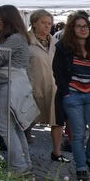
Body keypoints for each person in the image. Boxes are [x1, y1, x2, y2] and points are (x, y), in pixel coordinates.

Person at [52, 12, 90, 181]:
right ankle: (81, 167)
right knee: (78, 134)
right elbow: (58, 71)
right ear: (72, 29)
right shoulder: (63, 47)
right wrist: (65, 92)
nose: (83, 29)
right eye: (79, 26)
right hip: (72, 95)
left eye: (86, 26)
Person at [0, 5, 35, 175]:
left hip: (10, 85)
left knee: (4, 126)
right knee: (15, 127)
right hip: (16, 84)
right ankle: (24, 163)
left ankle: (18, 166)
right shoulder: (19, 37)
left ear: (7, 19)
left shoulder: (14, 39)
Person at [26, 9, 69, 162]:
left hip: (54, 87)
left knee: (57, 120)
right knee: (27, 119)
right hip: (33, 86)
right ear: (34, 23)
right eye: (43, 23)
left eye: (49, 23)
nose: (47, 26)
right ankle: (23, 152)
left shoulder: (56, 43)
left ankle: (56, 152)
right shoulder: (25, 41)